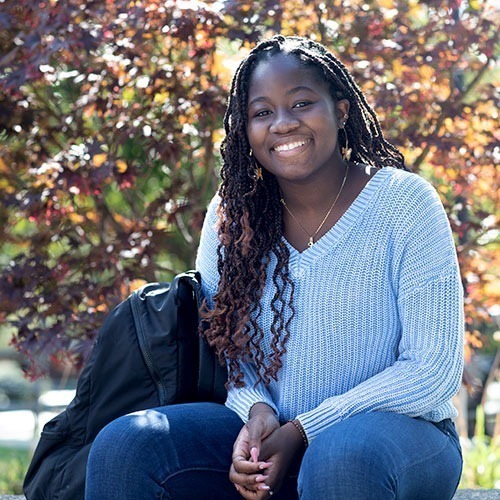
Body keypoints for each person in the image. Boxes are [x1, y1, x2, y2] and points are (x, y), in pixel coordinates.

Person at [85, 35, 464, 500]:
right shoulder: (233, 215)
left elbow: (432, 370)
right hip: (271, 437)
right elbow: (230, 350)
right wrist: (258, 412)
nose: (283, 124)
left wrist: (304, 430)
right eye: (262, 113)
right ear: (245, 129)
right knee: (128, 445)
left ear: (341, 110)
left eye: (302, 103)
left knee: (341, 459)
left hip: (396, 440)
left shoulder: (405, 204)